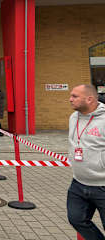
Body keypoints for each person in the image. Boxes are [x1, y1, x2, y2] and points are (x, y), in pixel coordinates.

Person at [67, 84, 105, 239]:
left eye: (75, 96)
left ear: (90, 99)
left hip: (102, 186)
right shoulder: (73, 117)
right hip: (79, 183)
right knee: (76, 219)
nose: (70, 100)